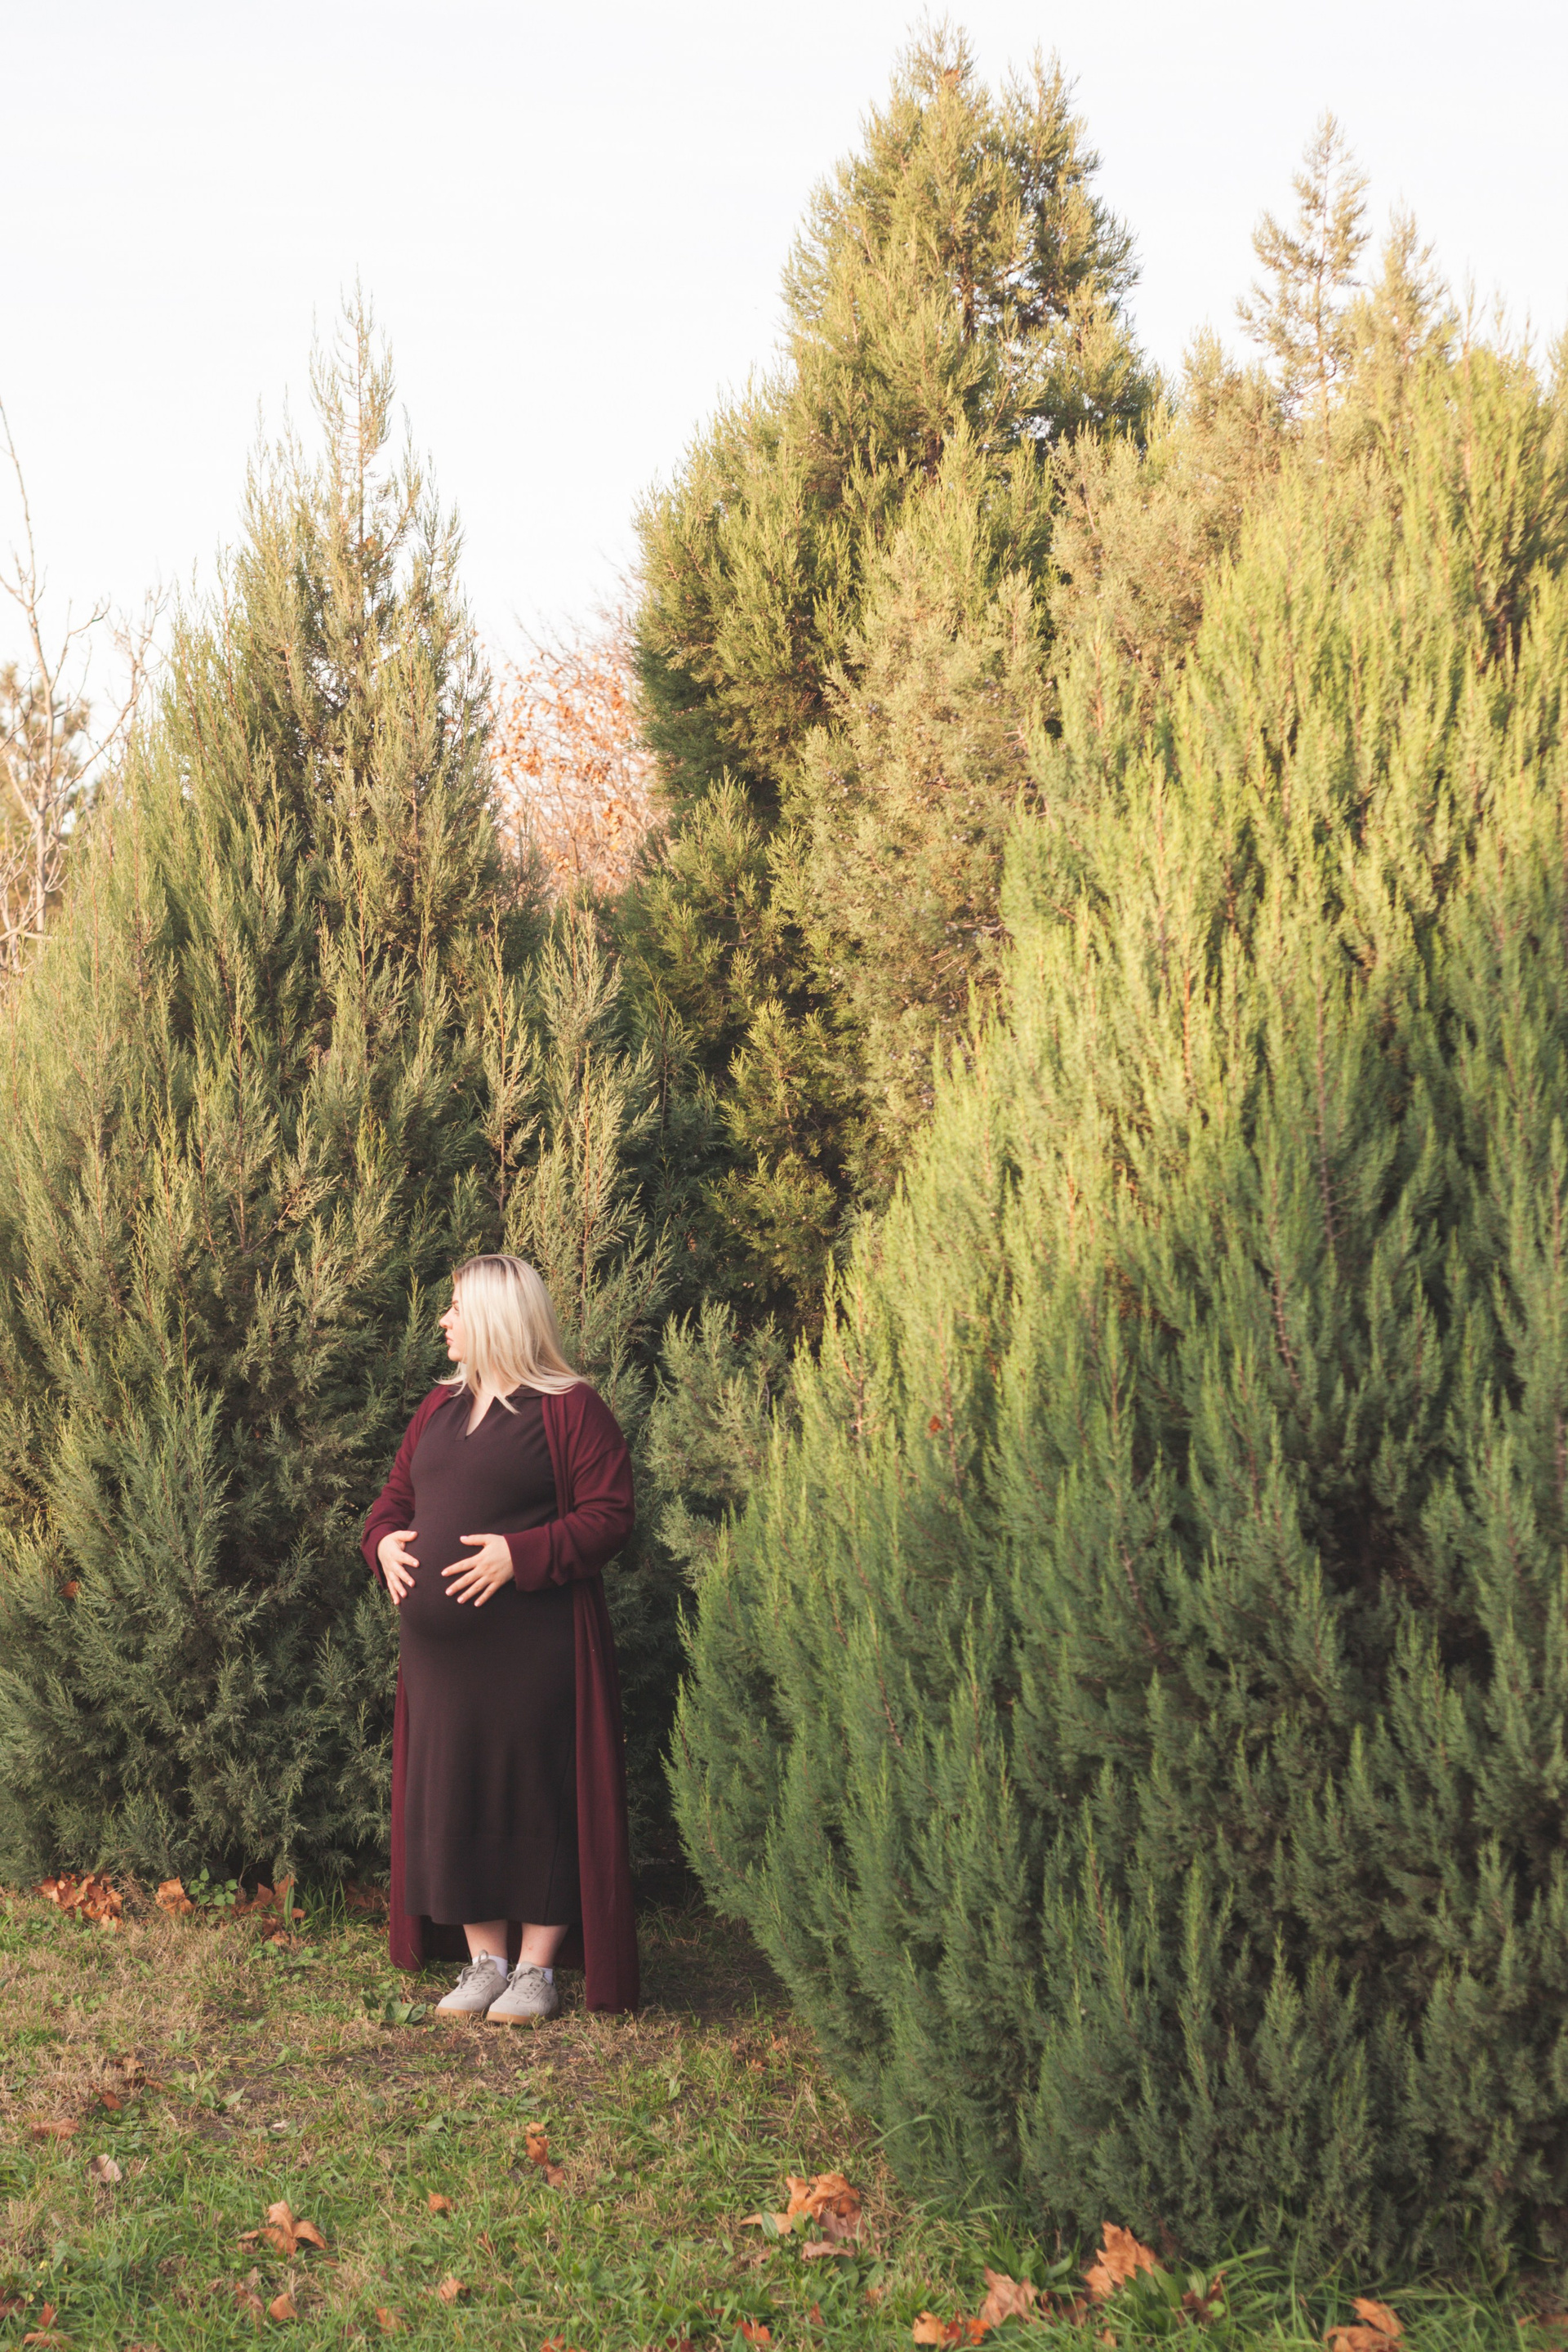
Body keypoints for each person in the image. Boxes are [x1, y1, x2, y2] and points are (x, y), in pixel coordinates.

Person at [360, 1254, 639, 2018]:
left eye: (455, 1307)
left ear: (495, 1316)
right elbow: (391, 1502)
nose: (444, 1320)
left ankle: (536, 1972)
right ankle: (485, 1962)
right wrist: (382, 1544)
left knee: (535, 1795)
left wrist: (521, 1555)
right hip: (442, 1665)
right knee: (457, 1795)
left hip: (534, 1652)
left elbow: (610, 1515)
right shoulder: (437, 1409)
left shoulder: (571, 1409)